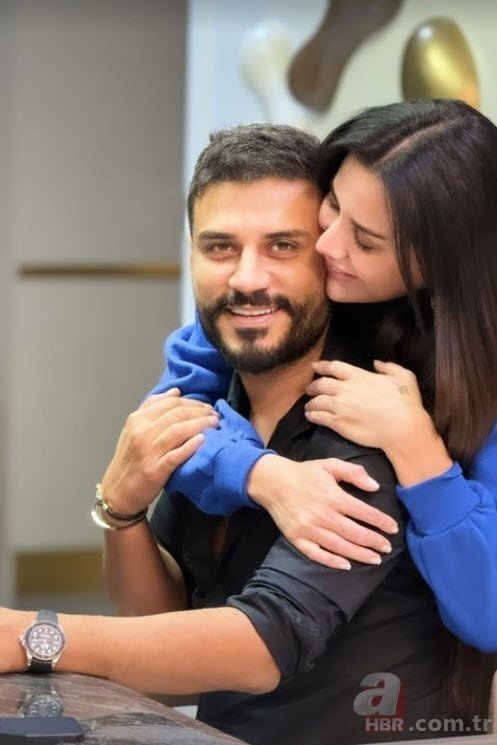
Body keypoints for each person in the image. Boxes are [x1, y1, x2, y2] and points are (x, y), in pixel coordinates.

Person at [1, 123, 456, 745]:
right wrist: (121, 511)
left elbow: (264, 644)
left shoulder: (372, 422)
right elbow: (164, 636)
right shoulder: (214, 406)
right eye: (219, 247)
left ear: (330, 258)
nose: (246, 279)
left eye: (282, 246)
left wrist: (30, 634)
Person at [150, 100, 497, 660]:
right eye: (332, 205)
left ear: (440, 265)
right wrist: (258, 473)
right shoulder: (287, 298)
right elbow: (168, 415)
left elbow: (490, 614)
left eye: (366, 239)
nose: (326, 244)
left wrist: (417, 451)